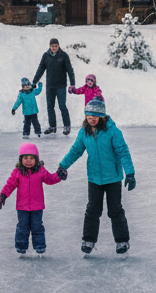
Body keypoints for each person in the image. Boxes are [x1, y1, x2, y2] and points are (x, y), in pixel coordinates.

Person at [57, 97, 135, 256]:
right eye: (89, 115)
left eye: (95, 115)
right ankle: (89, 240)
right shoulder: (83, 132)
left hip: (113, 178)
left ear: (102, 116)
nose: (91, 118)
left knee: (115, 210)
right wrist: (63, 166)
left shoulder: (113, 131)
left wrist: (130, 173)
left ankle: (122, 241)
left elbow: (123, 151)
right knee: (92, 209)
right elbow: (76, 151)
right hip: (94, 178)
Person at [0, 142, 65, 255]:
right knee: (22, 227)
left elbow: (50, 179)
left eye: (31, 158)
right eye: (25, 158)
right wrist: (3, 195)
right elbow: (10, 184)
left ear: (36, 159)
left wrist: (59, 176)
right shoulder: (17, 172)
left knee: (37, 226)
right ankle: (21, 247)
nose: (28, 161)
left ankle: (40, 246)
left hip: (37, 206)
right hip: (22, 206)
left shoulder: (40, 170)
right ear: (21, 159)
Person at [32, 37, 75, 135]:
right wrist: (34, 82)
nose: (54, 48)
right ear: (50, 46)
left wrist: (72, 84)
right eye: (52, 46)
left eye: (56, 46)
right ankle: (52, 126)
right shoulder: (46, 56)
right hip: (50, 86)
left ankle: (67, 126)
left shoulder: (63, 56)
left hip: (61, 86)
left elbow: (70, 70)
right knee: (50, 107)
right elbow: (40, 69)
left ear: (58, 46)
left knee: (62, 106)